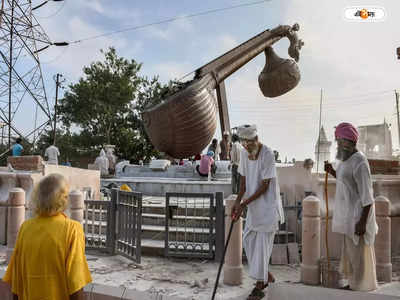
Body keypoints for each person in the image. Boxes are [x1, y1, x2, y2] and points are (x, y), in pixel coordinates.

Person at [2, 173, 92, 300]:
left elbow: (16, 280)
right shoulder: (72, 229)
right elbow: (75, 282)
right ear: (64, 199)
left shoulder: (25, 228)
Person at [231, 124, 284, 300]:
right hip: (254, 210)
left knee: (261, 248)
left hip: (268, 209)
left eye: (250, 143)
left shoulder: (267, 153)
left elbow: (265, 185)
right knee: (248, 241)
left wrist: (244, 203)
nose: (247, 147)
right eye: (245, 144)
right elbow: (243, 183)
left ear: (256, 139)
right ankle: (267, 277)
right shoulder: (245, 156)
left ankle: (259, 287)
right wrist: (237, 202)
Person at [324, 122, 378, 291]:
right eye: (337, 142)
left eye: (339, 142)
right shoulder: (345, 160)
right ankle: (354, 286)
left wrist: (362, 222)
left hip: (357, 218)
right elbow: (344, 179)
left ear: (349, 142)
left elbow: (367, 197)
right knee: (351, 256)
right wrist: (331, 171)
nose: (337, 145)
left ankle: (362, 289)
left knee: (359, 257)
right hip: (348, 218)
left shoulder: (360, 162)